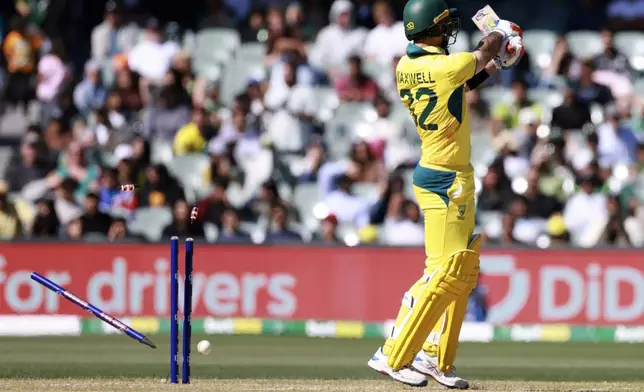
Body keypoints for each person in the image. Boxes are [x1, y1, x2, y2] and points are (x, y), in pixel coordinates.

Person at [366, 0, 523, 388]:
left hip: (447, 175)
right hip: (445, 179)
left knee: (462, 269)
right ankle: (393, 353)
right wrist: (502, 32)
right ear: (431, 28)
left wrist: (496, 63)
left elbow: (464, 83)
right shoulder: (444, 65)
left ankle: (436, 356)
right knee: (443, 271)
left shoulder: (409, 66)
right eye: (444, 24)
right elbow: (482, 51)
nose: (449, 29)